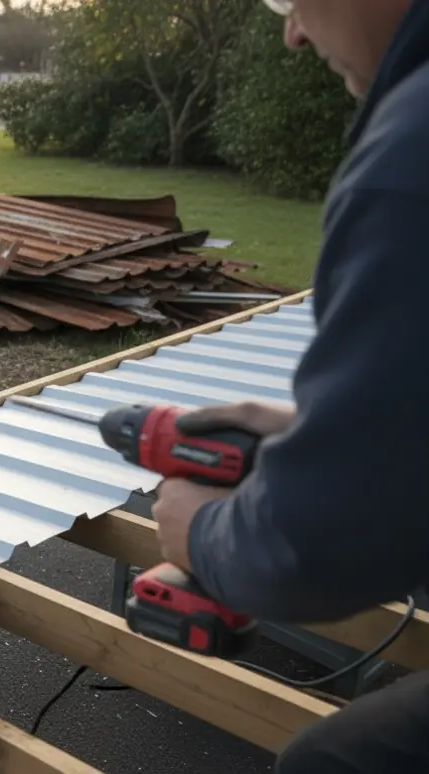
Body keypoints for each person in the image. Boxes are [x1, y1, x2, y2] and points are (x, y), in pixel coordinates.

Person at [150, 0, 429, 770]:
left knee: (335, 762)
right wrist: (339, 432)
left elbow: (322, 549)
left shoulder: (413, 148)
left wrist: (200, 532)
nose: (292, 31)